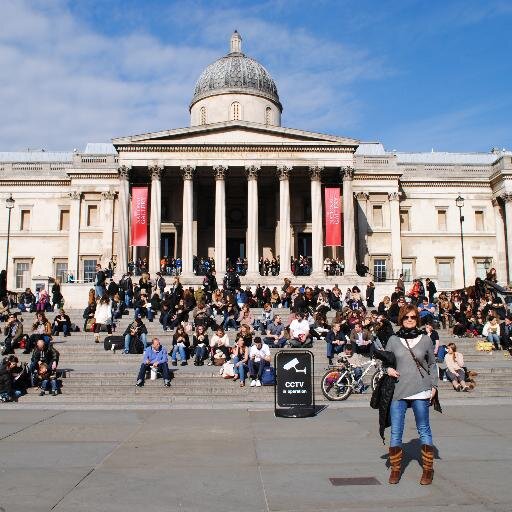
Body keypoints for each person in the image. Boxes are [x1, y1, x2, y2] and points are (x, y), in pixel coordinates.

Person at [385, 304, 438, 485]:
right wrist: (388, 369)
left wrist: (434, 386)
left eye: (413, 317)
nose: (409, 320)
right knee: (396, 432)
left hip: (421, 389)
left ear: (417, 319)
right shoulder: (392, 340)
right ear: (401, 319)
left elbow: (432, 364)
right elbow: (384, 361)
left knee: (424, 429)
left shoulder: (425, 339)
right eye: (406, 317)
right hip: (398, 390)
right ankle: (395, 469)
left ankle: (428, 470)